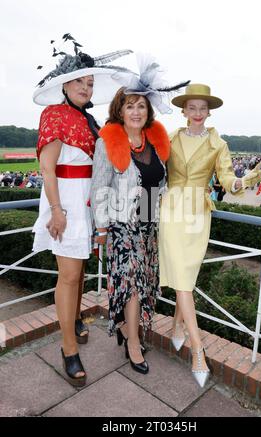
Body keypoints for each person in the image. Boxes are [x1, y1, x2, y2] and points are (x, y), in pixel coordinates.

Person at [32, 35, 132, 387]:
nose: (86, 88)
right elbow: (47, 168)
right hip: (66, 200)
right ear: (65, 83)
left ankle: (73, 321)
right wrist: (57, 211)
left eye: (90, 83)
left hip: (87, 200)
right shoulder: (54, 114)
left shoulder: (89, 121)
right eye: (80, 81)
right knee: (70, 275)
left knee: (81, 269)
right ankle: (68, 349)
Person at [159, 83, 261, 388]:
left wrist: (244, 180)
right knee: (182, 277)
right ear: (183, 111)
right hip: (170, 211)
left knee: (185, 276)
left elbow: (227, 180)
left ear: (209, 112)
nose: (197, 113)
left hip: (197, 213)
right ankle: (198, 349)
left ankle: (176, 325)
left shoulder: (219, 145)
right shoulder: (169, 137)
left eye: (202, 108)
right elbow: (153, 170)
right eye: (191, 107)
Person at [91, 56, 188, 375]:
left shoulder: (155, 140)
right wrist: (101, 228)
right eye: (130, 106)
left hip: (149, 225)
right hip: (122, 226)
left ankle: (125, 328)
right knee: (131, 285)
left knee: (143, 283)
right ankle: (133, 343)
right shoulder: (108, 141)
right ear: (120, 110)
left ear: (148, 113)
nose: (136, 111)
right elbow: (99, 186)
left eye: (141, 107)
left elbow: (164, 183)